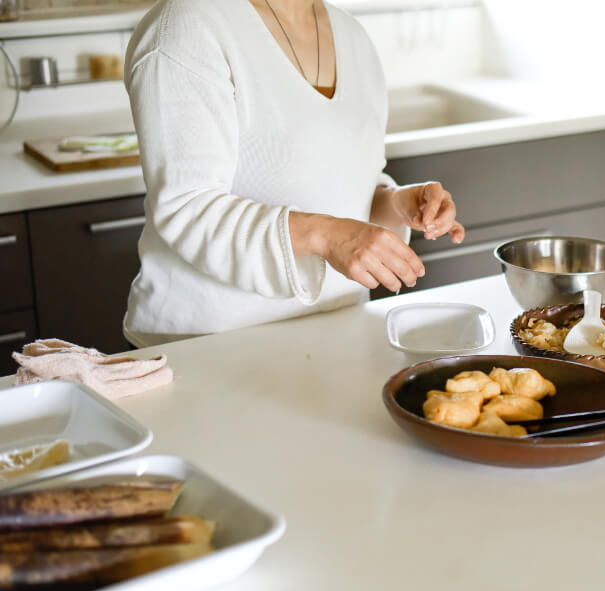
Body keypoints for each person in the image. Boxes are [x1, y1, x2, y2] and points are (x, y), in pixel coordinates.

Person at [122, 0, 464, 347]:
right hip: (207, 348)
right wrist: (328, 235)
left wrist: (394, 204)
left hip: (337, 336)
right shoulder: (187, 27)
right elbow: (188, 208)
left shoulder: (353, 36)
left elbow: (338, 188)